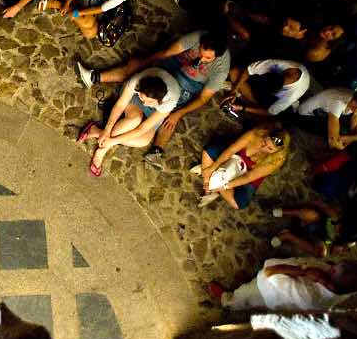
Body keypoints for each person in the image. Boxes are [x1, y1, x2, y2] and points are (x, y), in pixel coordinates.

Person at [78, 31, 230, 161]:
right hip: (168, 69)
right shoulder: (197, 37)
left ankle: (101, 134)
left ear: (217, 57)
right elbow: (165, 53)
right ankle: (94, 78)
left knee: (154, 132)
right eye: (201, 53)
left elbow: (203, 98)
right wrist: (144, 63)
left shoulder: (221, 69)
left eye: (207, 59)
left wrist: (178, 113)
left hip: (186, 87)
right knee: (133, 75)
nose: (200, 60)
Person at [76, 68, 179, 177]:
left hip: (156, 111)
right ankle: (101, 151)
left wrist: (113, 141)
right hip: (136, 99)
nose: (145, 104)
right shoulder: (137, 81)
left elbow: (142, 128)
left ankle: (97, 131)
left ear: (160, 100)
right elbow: (120, 106)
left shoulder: (170, 100)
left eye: (150, 102)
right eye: (143, 99)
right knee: (134, 120)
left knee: (143, 141)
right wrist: (107, 129)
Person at [209, 257, 357, 311]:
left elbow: (270, 272)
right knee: (250, 283)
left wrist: (303, 271)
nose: (330, 267)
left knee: (243, 296)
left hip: (266, 291)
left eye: (333, 268)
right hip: (275, 284)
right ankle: (246, 282)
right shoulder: (339, 287)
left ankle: (226, 300)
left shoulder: (308, 297)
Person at [196, 123, 289, 209]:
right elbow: (231, 150)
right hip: (234, 157)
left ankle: (212, 178)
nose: (264, 148)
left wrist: (224, 186)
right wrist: (213, 167)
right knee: (208, 152)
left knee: (237, 204)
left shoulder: (277, 160)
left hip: (248, 173)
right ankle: (208, 189)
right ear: (265, 135)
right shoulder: (254, 134)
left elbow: (248, 177)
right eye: (264, 142)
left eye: (270, 149)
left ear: (277, 151)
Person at [298, 86, 357, 150]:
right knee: (330, 141)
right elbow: (333, 141)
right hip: (305, 115)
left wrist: (352, 137)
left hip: (325, 114)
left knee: (344, 130)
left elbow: (354, 125)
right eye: (356, 103)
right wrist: (351, 140)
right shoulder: (338, 101)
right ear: (355, 96)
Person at [224, 59, 311, 118]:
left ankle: (247, 99)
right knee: (233, 73)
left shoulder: (291, 95)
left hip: (271, 100)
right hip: (261, 82)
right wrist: (234, 90)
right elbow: (249, 70)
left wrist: (242, 108)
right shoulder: (276, 65)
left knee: (265, 118)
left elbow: (270, 112)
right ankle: (241, 94)